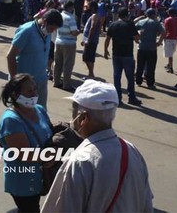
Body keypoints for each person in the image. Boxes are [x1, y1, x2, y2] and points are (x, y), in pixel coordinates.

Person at [42, 79, 153, 212]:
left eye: (73, 111)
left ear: (83, 118)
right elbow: (146, 204)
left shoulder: (80, 160)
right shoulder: (132, 151)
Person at [0, 73, 53, 213]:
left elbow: (50, 134)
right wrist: (49, 157)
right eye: (29, 91)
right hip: (23, 181)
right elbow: (23, 154)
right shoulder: (11, 120)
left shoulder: (39, 110)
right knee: (30, 208)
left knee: (28, 208)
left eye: (35, 89)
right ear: (16, 95)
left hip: (40, 176)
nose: (34, 93)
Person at [7, 9, 63, 109]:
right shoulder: (27, 31)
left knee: (40, 113)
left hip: (41, 81)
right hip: (24, 84)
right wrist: (15, 81)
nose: (52, 31)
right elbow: (10, 56)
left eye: (55, 30)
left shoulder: (47, 32)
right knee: (21, 113)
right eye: (51, 28)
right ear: (44, 21)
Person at [104, 8, 141, 105]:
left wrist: (105, 50)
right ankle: (131, 97)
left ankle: (118, 98)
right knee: (130, 77)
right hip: (127, 54)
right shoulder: (130, 25)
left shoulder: (113, 24)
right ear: (127, 15)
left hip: (116, 54)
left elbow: (107, 39)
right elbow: (137, 39)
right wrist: (140, 35)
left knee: (117, 77)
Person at [134, 8, 165, 88]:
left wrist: (136, 39)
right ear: (153, 15)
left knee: (140, 66)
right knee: (151, 67)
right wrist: (159, 42)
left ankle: (138, 82)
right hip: (152, 48)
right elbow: (163, 32)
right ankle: (150, 83)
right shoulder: (156, 23)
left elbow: (133, 29)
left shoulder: (141, 22)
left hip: (141, 47)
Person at [53, 1, 79, 91]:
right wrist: (79, 31)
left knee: (57, 63)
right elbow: (74, 32)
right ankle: (66, 84)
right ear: (71, 8)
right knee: (67, 64)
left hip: (58, 41)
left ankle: (56, 82)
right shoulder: (70, 18)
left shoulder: (59, 15)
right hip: (69, 43)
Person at [81, 1, 101, 79]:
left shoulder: (94, 16)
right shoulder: (94, 15)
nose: (87, 7)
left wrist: (88, 40)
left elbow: (92, 28)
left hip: (91, 41)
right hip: (91, 40)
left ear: (92, 7)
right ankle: (90, 74)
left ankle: (91, 74)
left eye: (88, 6)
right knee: (88, 57)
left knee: (87, 57)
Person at [163, 9, 177, 73]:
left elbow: (165, 30)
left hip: (169, 38)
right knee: (171, 52)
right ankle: (169, 64)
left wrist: (164, 37)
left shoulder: (167, 20)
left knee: (170, 54)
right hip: (175, 38)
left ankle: (170, 68)